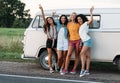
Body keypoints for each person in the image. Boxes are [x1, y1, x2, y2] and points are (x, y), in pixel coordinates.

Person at [75, 6, 94, 77]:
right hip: (85, 41)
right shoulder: (81, 26)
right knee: (88, 56)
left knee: (81, 54)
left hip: (87, 41)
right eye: (78, 19)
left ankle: (82, 70)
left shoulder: (86, 23)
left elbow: (91, 20)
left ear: (82, 19)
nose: (79, 20)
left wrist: (91, 13)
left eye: (80, 19)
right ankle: (87, 71)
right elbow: (85, 33)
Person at [39, 4, 57, 73]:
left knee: (58, 53)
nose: (49, 20)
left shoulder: (55, 25)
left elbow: (50, 19)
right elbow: (44, 18)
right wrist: (42, 10)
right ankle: (50, 68)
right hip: (49, 41)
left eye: (50, 19)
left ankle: (56, 64)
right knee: (50, 54)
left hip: (55, 41)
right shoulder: (47, 26)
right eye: (48, 20)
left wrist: (52, 15)